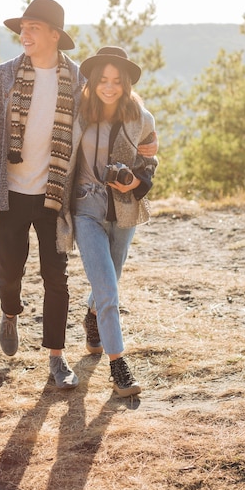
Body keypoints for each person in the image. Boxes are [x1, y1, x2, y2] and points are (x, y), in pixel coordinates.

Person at [0, 0, 158, 390]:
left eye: (33, 27)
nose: (24, 33)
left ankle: (56, 358)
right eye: (22, 27)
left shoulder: (77, 81)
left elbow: (114, 110)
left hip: (56, 197)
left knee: (58, 278)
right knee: (10, 273)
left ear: (55, 35)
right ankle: (10, 311)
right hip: (10, 194)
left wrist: (135, 173)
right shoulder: (2, 77)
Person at [57, 46, 158, 397]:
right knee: (110, 291)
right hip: (85, 210)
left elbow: (150, 167)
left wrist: (134, 182)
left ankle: (91, 314)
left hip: (123, 212)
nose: (110, 87)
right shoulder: (77, 113)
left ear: (126, 83)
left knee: (108, 281)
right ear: (93, 81)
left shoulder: (142, 119)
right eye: (103, 79)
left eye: (117, 80)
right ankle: (119, 367)